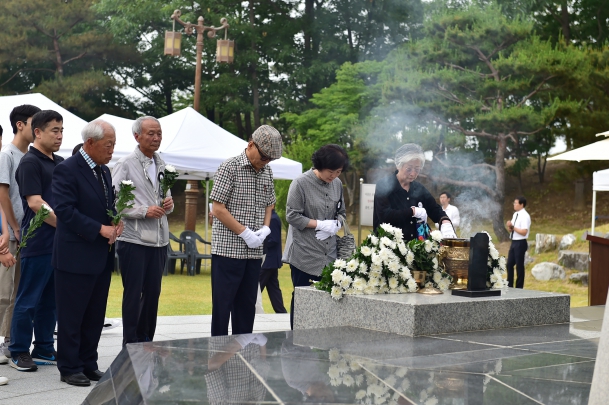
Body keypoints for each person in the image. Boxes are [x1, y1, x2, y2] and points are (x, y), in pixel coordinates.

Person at [51, 120, 122, 386]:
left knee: (95, 313)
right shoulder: (66, 170)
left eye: (114, 145)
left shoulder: (103, 171)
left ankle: (88, 362)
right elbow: (65, 211)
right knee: (72, 314)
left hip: (100, 255)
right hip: (74, 256)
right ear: (90, 143)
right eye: (108, 145)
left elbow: (103, 206)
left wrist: (116, 221)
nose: (112, 150)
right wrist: (100, 229)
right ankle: (69, 366)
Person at [210, 125, 282, 336]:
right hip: (228, 250)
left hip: (253, 252)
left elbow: (270, 203)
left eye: (270, 159)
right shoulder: (229, 167)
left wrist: (266, 228)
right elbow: (218, 208)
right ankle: (219, 356)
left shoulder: (267, 170)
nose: (266, 161)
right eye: (264, 156)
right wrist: (244, 232)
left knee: (247, 306)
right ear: (251, 144)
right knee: (223, 307)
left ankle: (242, 356)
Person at [111, 116, 174, 346]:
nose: (156, 137)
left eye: (158, 133)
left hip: (159, 240)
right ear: (137, 136)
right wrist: (143, 210)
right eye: (151, 133)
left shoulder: (164, 165)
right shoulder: (125, 164)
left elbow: (167, 198)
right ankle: (131, 342)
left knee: (153, 294)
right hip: (134, 240)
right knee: (133, 293)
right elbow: (115, 203)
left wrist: (169, 204)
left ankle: (147, 339)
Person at [10, 110, 64, 372]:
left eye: (62, 130)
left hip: (59, 243)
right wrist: (67, 225)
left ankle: (43, 347)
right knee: (28, 299)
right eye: (54, 130)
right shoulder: (30, 163)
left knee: (51, 301)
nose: (60, 135)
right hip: (38, 241)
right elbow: (36, 204)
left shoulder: (61, 162)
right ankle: (19, 350)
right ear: (38, 132)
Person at [282, 144, 348, 330]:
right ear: (319, 165)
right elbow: (292, 215)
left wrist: (335, 224)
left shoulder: (336, 185)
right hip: (304, 252)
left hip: (329, 253)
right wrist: (319, 224)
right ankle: (297, 341)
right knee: (303, 297)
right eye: (330, 171)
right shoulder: (300, 183)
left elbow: (342, 212)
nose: (334, 176)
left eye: (338, 172)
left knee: (328, 297)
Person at [0, 105, 40, 361]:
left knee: (19, 292)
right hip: (12, 233)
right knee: (4, 291)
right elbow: (2, 193)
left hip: (28, 234)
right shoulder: (7, 155)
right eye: (33, 122)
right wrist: (12, 226)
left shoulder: (32, 156)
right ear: (20, 125)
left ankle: (9, 341)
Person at [373, 143, 456, 242]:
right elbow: (385, 216)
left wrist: (445, 221)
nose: (413, 173)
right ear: (398, 165)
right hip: (389, 247)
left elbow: (434, 209)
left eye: (417, 170)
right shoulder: (384, 185)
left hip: (414, 248)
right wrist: (413, 211)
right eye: (409, 169)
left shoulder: (418, 188)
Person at [259, 209, 287, 314]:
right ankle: (281, 312)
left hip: (269, 260)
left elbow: (274, 239)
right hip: (270, 261)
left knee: (256, 287)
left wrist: (259, 242)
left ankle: (247, 310)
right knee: (273, 288)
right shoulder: (271, 218)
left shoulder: (273, 219)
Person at [506, 196, 531, 289]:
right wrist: (510, 226)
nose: (514, 205)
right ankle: (509, 284)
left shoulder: (525, 216)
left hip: (520, 242)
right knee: (509, 264)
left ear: (521, 204)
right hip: (514, 241)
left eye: (516, 203)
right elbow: (512, 229)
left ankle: (519, 286)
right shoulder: (515, 214)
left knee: (519, 265)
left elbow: (524, 231)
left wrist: (513, 227)